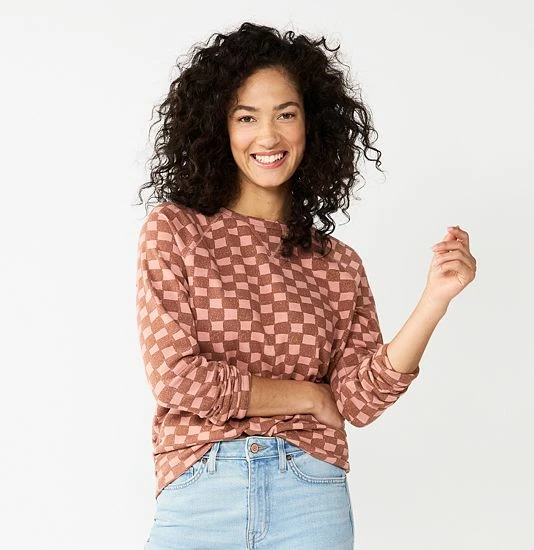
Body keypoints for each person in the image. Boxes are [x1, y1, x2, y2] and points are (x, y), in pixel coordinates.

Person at [134, 21, 477, 550]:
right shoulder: (175, 231)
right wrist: (308, 396)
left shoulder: (338, 264)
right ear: (218, 128)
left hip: (310, 492)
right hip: (201, 486)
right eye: (246, 117)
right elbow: (178, 380)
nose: (268, 136)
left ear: (311, 125)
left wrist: (434, 299)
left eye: (286, 114)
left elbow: (358, 401)